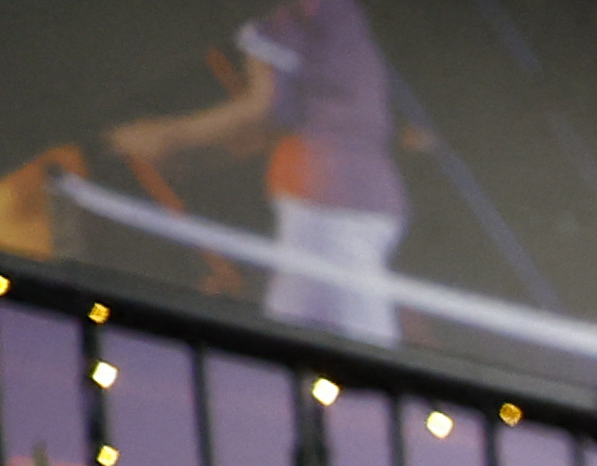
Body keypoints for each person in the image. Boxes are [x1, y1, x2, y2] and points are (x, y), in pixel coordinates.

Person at [105, 0, 402, 343]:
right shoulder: (333, 16)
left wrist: (164, 137)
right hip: (339, 201)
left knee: (362, 345)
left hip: (334, 202)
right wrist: (193, 154)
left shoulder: (287, 16)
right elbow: (279, 120)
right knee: (289, 339)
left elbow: (266, 108)